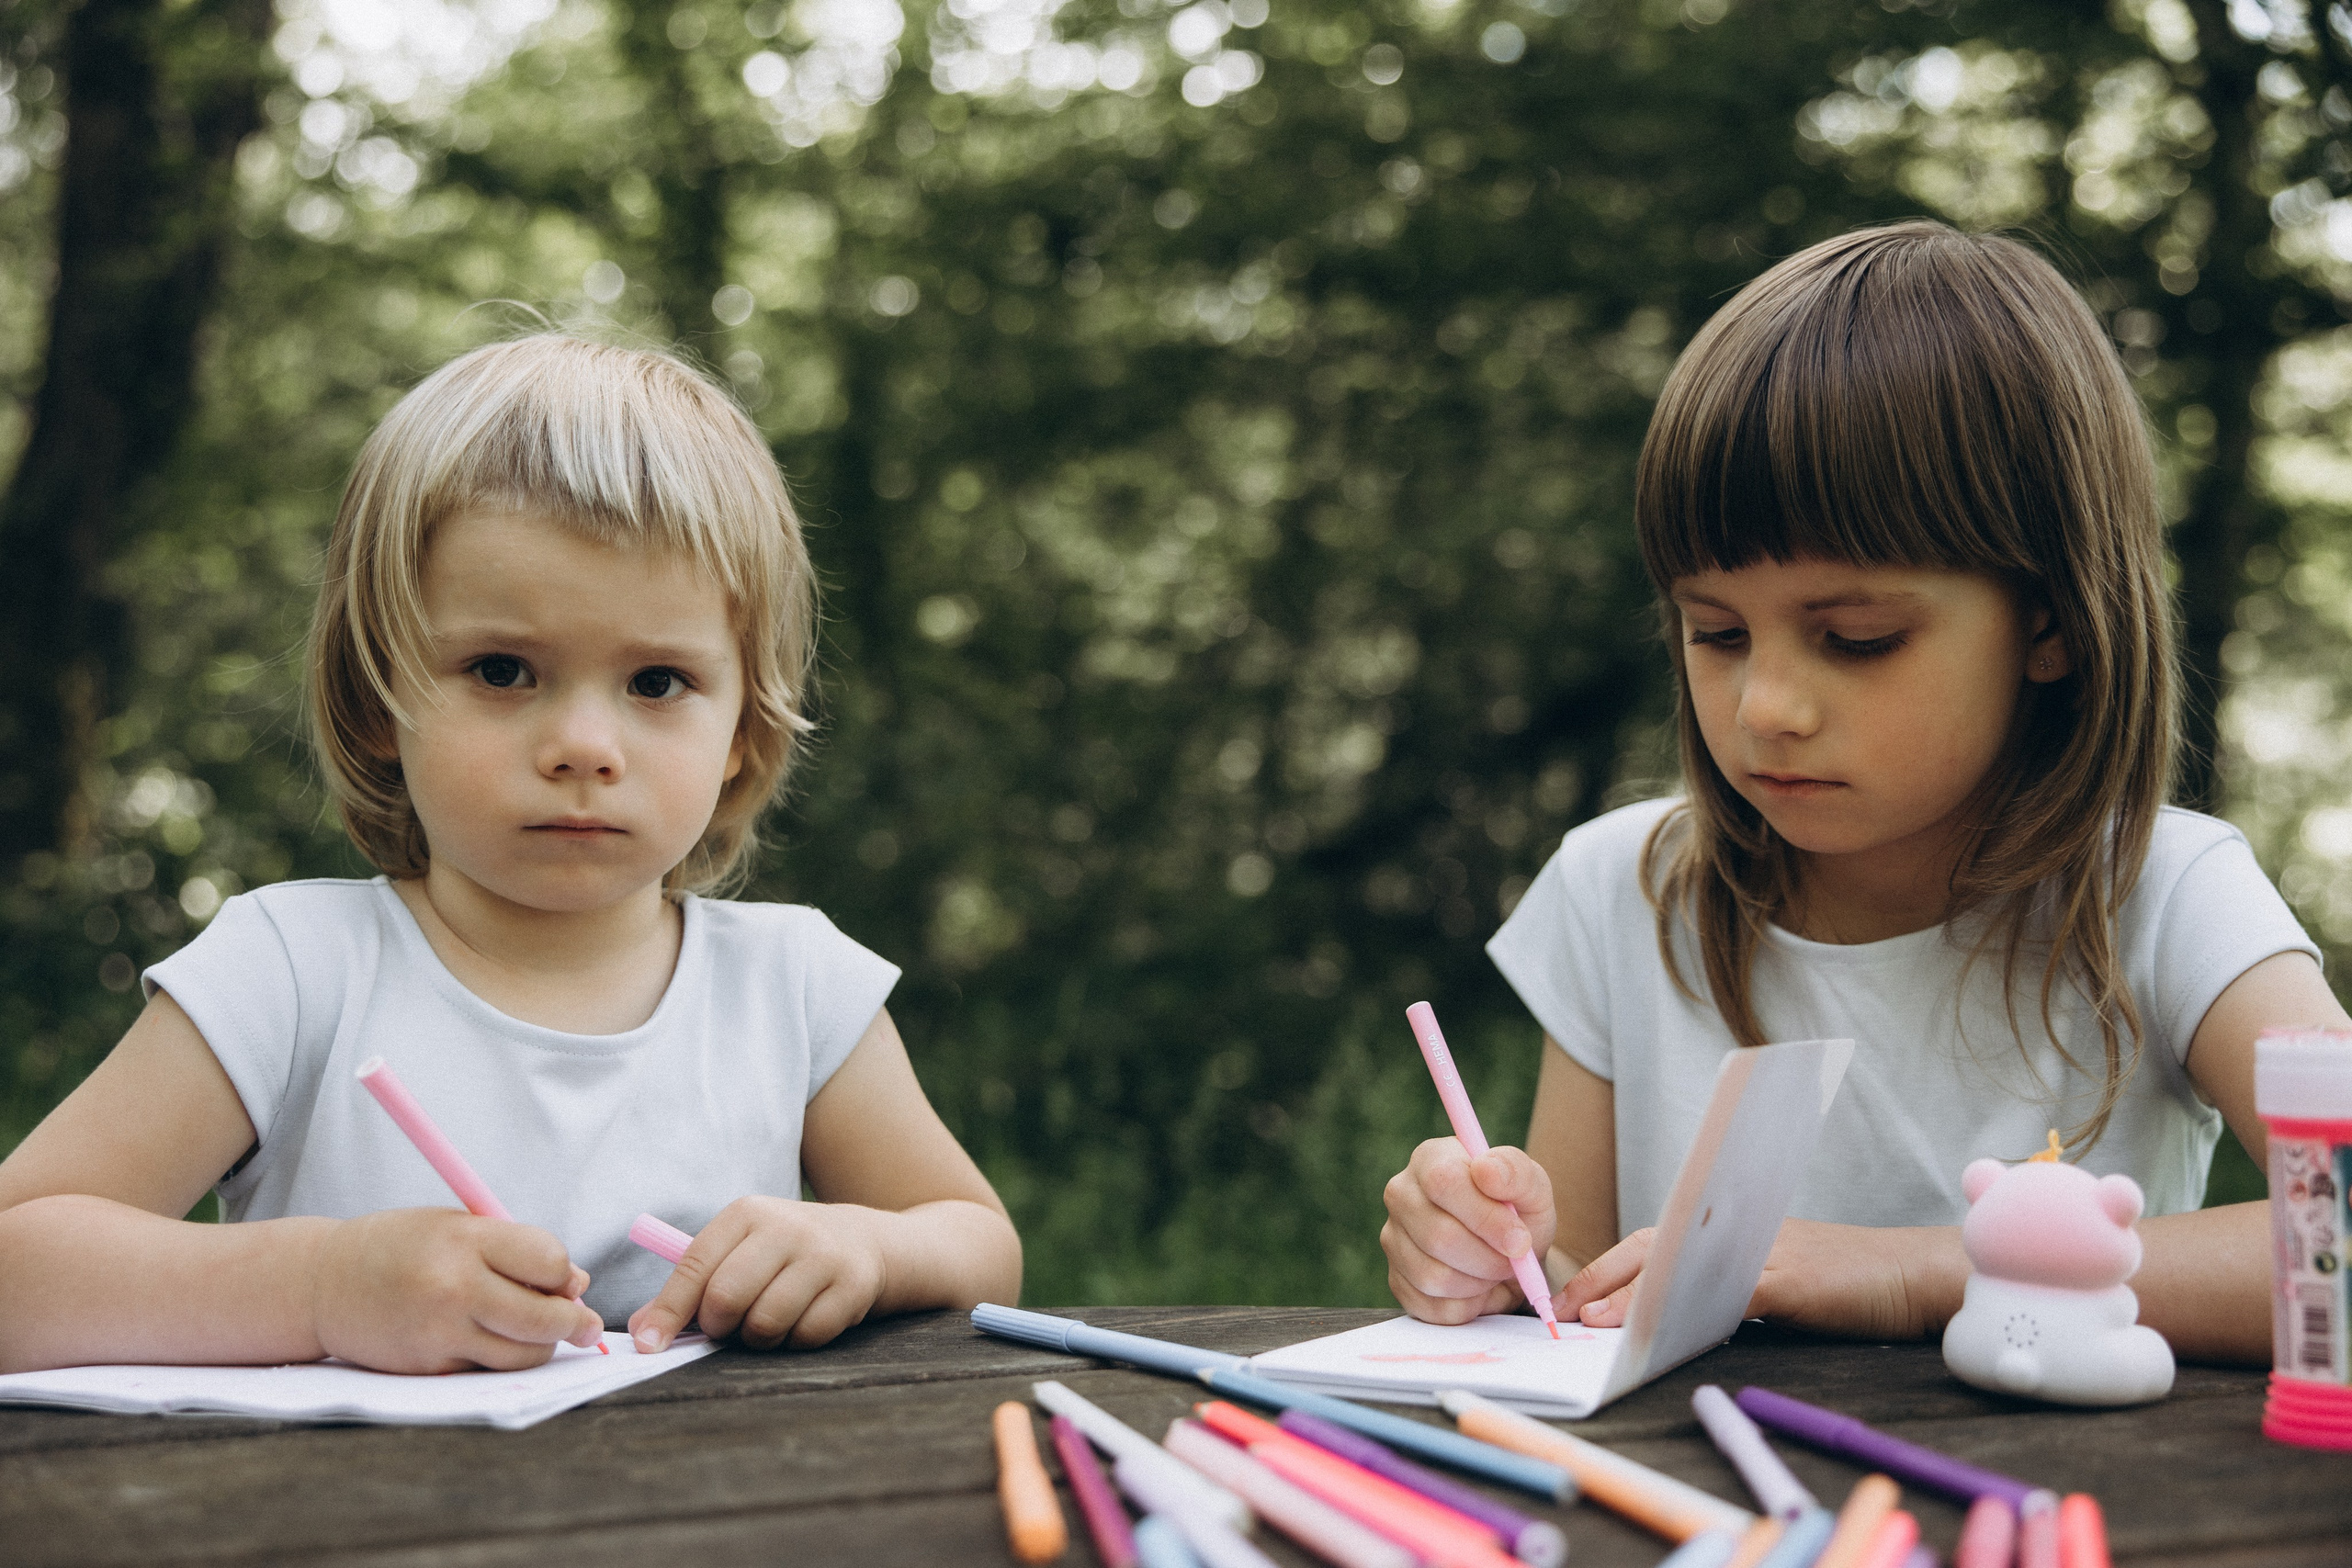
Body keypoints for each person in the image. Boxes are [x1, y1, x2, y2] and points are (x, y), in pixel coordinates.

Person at [1380, 222, 2349, 1364]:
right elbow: (1577, 1299)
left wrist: (1909, 1271)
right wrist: (1489, 1267)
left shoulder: (2170, 894)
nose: (1765, 708)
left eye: (1855, 638)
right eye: (1717, 633)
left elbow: (2332, 1233)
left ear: (2048, 622)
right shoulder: (1620, 890)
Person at [0, 336, 1021, 1374]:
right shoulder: (291, 972)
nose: (583, 745)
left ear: (745, 736)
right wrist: (319, 1287)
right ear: (375, 706)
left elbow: (979, 1246)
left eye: (657, 682)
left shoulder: (793, 989)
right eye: (502, 669)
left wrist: (866, 1245)